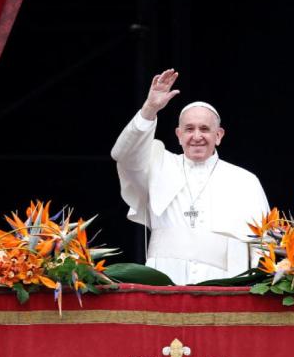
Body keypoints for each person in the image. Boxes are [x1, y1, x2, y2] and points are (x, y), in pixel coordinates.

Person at [111, 69, 269, 285]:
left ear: (219, 135)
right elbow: (123, 154)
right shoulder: (157, 165)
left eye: (204, 129)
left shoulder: (245, 181)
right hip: (165, 284)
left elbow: (263, 246)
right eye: (189, 129)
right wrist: (150, 109)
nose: (197, 136)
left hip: (225, 288)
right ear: (178, 135)